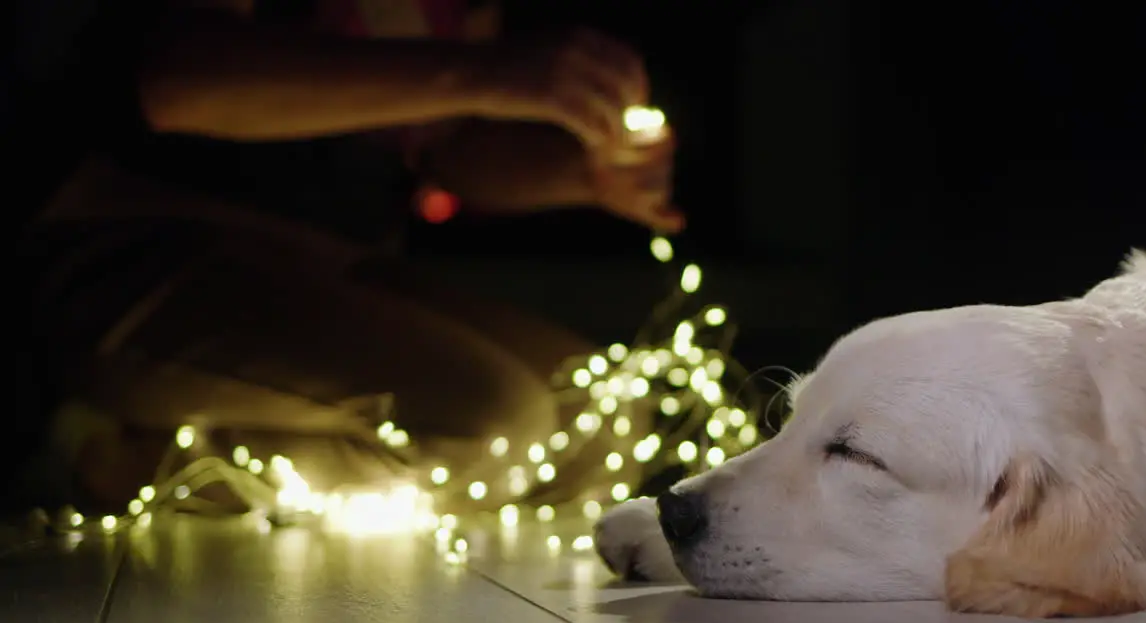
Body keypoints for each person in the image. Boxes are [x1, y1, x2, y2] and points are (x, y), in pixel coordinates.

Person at [15, 0, 679, 516]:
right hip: (141, 247)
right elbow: (178, 80)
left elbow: (449, 148)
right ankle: (120, 458)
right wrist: (484, 71)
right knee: (484, 428)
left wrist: (585, 176)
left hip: (336, 265)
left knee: (606, 425)